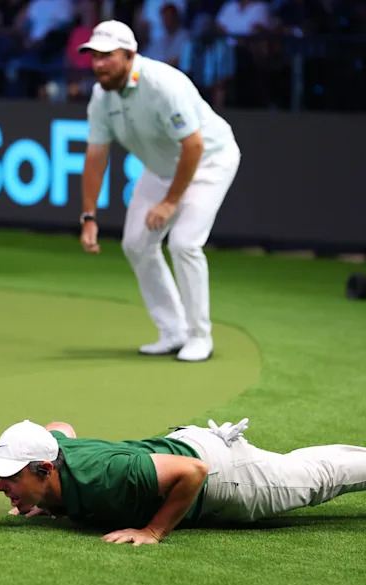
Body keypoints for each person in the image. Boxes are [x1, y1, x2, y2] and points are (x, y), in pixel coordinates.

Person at [0, 418, 366, 545]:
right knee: (298, 467)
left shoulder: (108, 474)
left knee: (313, 480)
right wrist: (46, 500)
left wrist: (153, 530)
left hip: (219, 475)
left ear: (45, 469)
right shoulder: (55, 454)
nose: (1, 488)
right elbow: (59, 427)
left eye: (11, 477)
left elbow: (192, 473)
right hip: (189, 445)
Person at [77, 20, 240, 362]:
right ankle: (172, 330)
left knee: (184, 243)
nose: (98, 64)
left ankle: (199, 336)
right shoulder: (101, 96)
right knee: (136, 244)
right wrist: (88, 217)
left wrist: (169, 203)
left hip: (209, 162)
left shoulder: (164, 85)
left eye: (107, 56)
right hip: (162, 168)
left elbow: (193, 146)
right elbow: (95, 156)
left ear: (129, 55)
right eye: (94, 56)